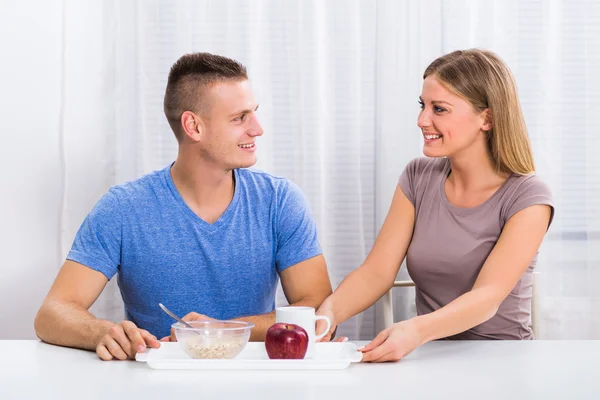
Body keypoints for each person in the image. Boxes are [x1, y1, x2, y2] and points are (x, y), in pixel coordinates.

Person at [34, 52, 333, 361]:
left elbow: (320, 313)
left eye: (254, 113)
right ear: (193, 126)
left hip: (254, 381)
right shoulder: (123, 209)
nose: (257, 129)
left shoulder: (280, 201)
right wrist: (100, 332)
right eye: (239, 117)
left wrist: (224, 329)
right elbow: (52, 313)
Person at [317, 49, 554, 362]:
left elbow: (488, 297)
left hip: (503, 359)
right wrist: (326, 316)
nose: (421, 120)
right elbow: (377, 272)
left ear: (487, 118)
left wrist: (415, 331)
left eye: (439, 109)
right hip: (430, 356)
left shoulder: (528, 196)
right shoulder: (418, 177)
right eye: (422, 106)